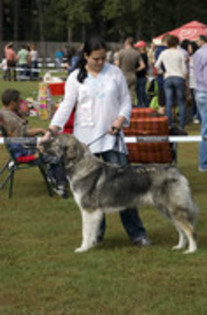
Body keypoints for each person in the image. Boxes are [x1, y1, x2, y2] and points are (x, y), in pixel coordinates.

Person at [39, 36, 151, 247]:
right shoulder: (75, 78)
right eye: (96, 59)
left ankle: (137, 234)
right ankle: (95, 236)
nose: (101, 62)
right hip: (84, 145)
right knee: (90, 193)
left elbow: (126, 101)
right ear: (86, 56)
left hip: (111, 139)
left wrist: (120, 119)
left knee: (124, 189)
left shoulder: (115, 73)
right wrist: (51, 131)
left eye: (104, 58)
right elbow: (65, 107)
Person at [0, 89, 68, 198]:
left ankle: (52, 176)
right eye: (18, 101)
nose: (20, 103)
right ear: (12, 103)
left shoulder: (5, 113)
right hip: (25, 151)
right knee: (57, 156)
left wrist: (21, 115)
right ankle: (60, 186)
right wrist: (41, 130)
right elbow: (24, 134)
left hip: (19, 148)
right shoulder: (9, 117)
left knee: (52, 146)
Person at [155, 35, 188, 130]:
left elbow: (157, 65)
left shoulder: (164, 53)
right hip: (179, 77)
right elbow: (184, 69)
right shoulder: (180, 53)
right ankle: (181, 125)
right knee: (181, 102)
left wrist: (162, 72)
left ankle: (169, 124)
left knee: (168, 102)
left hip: (168, 77)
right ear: (177, 43)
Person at [117, 37, 145, 105]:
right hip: (133, 75)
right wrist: (136, 70)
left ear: (126, 43)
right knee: (132, 93)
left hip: (124, 75)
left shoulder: (121, 52)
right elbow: (143, 66)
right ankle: (131, 107)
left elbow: (117, 65)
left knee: (123, 93)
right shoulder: (136, 53)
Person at [193, 35, 207, 172]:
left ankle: (203, 162)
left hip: (200, 91)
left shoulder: (198, 53)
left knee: (205, 128)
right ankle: (203, 163)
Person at [134, 40, 149, 107]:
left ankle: (143, 105)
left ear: (141, 47)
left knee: (141, 92)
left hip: (140, 76)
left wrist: (135, 70)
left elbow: (142, 66)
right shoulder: (144, 55)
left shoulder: (142, 55)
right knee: (140, 92)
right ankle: (143, 104)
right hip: (142, 76)